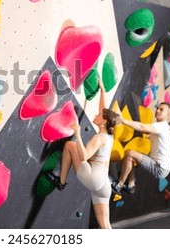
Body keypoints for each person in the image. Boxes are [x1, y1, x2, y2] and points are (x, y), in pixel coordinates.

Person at [46, 80, 120, 229]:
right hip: (104, 184)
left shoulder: (99, 138)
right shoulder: (109, 136)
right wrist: (102, 89)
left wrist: (78, 134)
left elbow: (85, 156)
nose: (97, 114)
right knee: (106, 225)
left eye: (99, 115)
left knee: (70, 145)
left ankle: (61, 181)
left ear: (104, 122)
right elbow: (104, 109)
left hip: (94, 177)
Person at [111, 102, 170, 195]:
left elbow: (142, 127)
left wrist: (123, 120)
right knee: (131, 153)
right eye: (157, 108)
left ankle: (119, 185)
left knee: (130, 154)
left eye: (161, 109)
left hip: (160, 168)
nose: (158, 111)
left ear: (168, 114)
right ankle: (131, 184)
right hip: (162, 165)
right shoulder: (162, 126)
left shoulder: (161, 127)